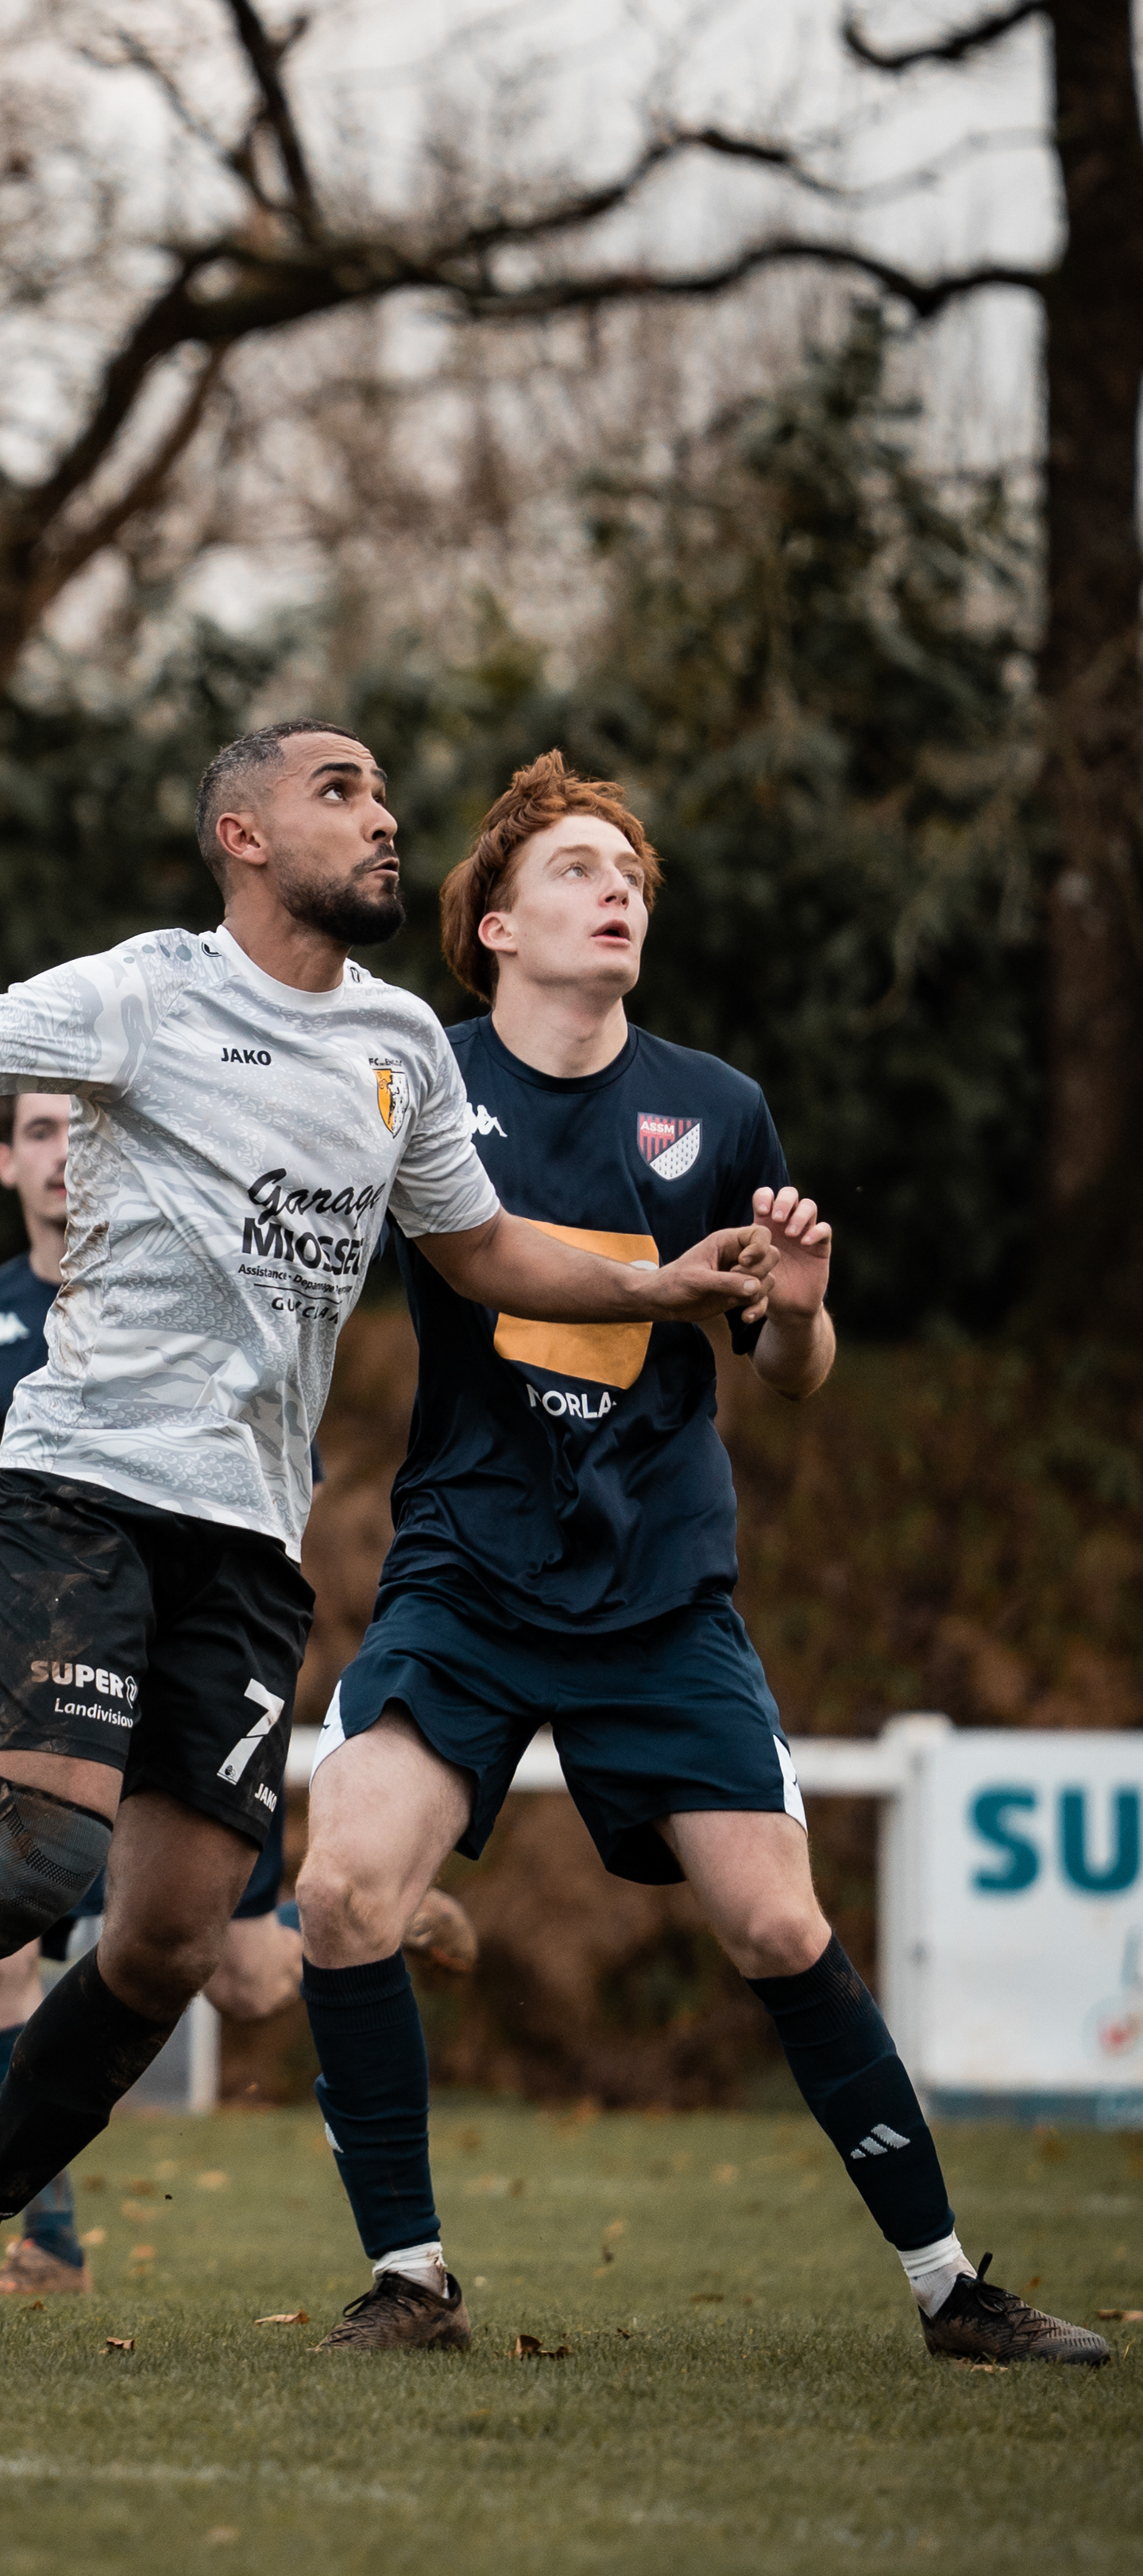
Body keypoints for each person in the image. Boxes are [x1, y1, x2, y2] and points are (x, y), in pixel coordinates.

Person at [0, 719, 765, 2359]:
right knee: (40, 1863)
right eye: (342, 792)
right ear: (243, 838)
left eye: (384, 792)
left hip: (251, 1539)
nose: (384, 818)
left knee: (174, 1938)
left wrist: (654, 1285)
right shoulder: (146, 991)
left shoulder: (403, 1043)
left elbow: (476, 1251)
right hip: (84, 1486)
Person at [294, 750, 1108, 2369]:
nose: (618, 893)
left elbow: (789, 1372)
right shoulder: (416, 1079)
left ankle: (952, 2288)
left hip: (659, 1586)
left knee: (780, 1929)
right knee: (340, 1888)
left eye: (633, 878)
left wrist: (796, 1311)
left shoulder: (718, 1106)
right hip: (465, 1570)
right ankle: (412, 2281)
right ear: (496, 926)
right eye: (580, 870)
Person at [0, 1088, 473, 2297]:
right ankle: (43, 2241)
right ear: (3, 1162)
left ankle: (370, 1910)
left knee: (247, 1980)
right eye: (37, 1131)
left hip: (196, 1672)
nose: (62, 1151)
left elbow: (278, 1469)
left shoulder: (210, 1285)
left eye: (79, 1126)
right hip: (50, 1679)